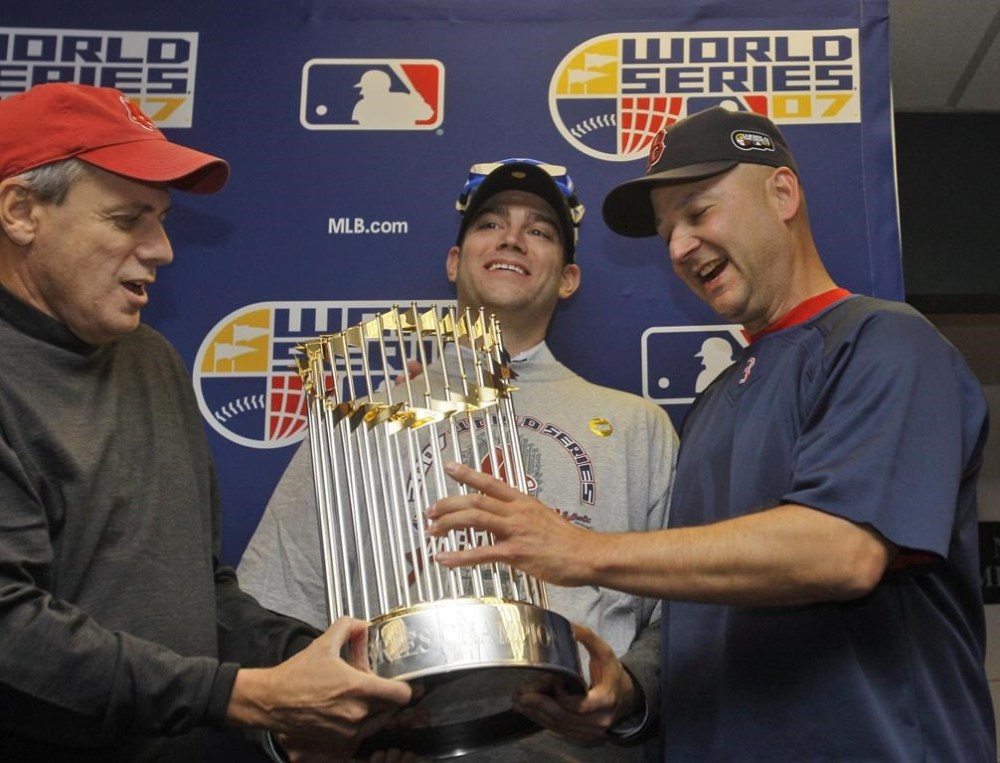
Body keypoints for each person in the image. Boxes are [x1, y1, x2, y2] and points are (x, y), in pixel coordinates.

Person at [425, 106, 997, 761]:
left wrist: (580, 549)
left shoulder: (883, 342)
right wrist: (624, 696)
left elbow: (842, 550)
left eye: (698, 213)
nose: (678, 247)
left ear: (782, 194)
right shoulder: (716, 402)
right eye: (668, 231)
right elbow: (704, 624)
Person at [0, 82, 412, 763]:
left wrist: (319, 660)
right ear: (20, 211)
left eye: (160, 218)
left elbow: (195, 586)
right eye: (128, 217)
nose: (161, 247)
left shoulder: (149, 358)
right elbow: (11, 633)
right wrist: (243, 695)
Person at [238, 158, 679, 760]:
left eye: (540, 230)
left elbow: (681, 617)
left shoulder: (637, 427)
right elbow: (272, 604)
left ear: (568, 277)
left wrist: (628, 691)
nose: (512, 239)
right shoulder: (360, 425)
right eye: (490, 224)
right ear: (455, 262)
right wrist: (298, 734)